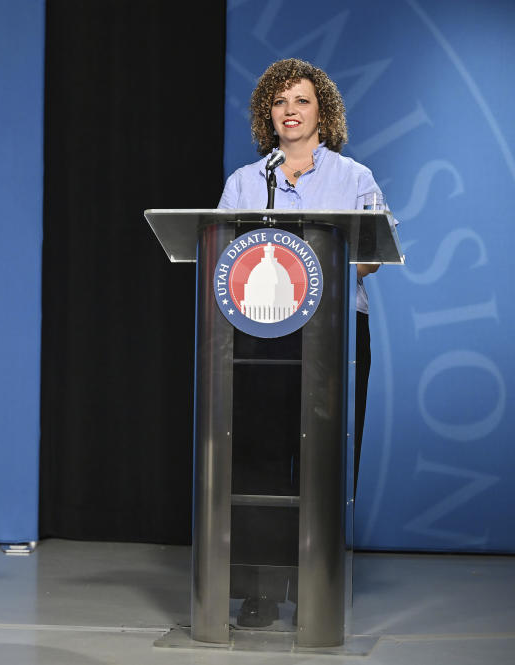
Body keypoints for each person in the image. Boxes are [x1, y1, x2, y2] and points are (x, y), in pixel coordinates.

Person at [217, 58, 385, 627]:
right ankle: (260, 590)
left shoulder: (354, 178)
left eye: (302, 101)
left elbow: (371, 259)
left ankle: (318, 584)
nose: (290, 110)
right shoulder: (245, 182)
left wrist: (311, 266)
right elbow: (222, 255)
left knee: (324, 459)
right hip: (259, 336)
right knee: (260, 459)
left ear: (323, 112)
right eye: (280, 101)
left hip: (333, 334)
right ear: (269, 113)